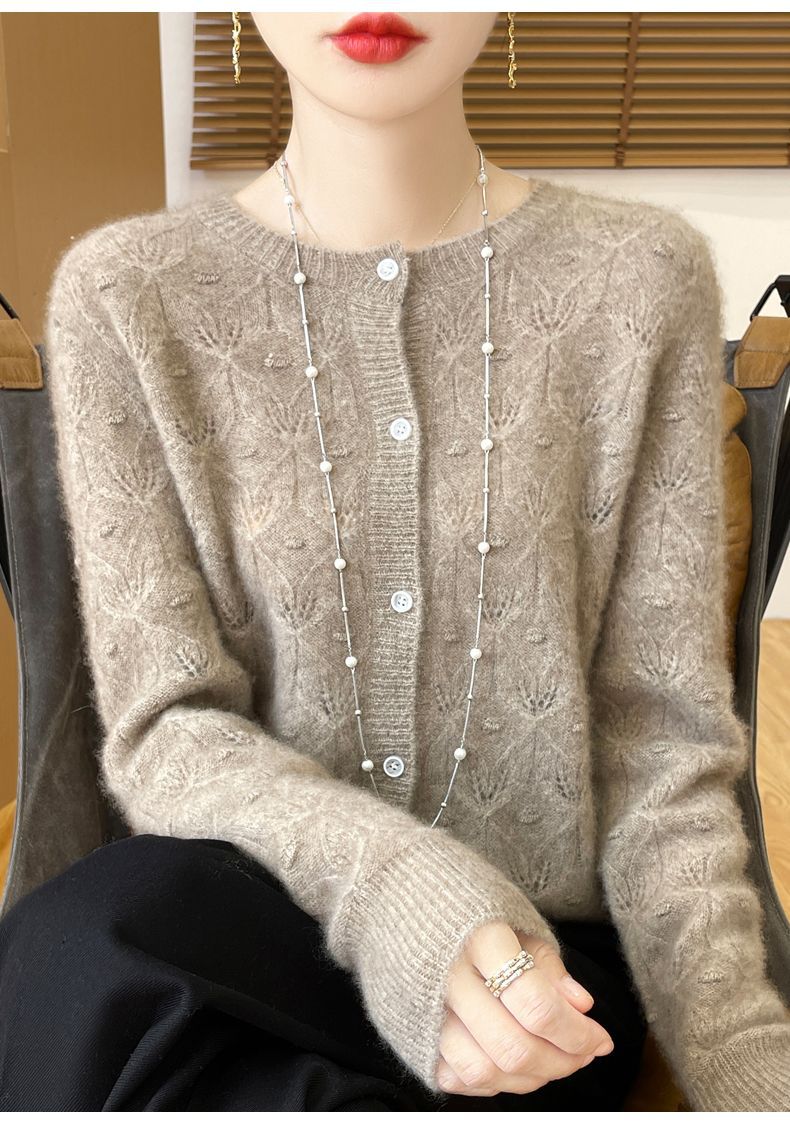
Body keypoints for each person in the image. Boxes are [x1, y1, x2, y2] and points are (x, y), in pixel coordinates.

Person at [1, 10, 789, 1113]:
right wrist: (397, 885)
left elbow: (659, 741)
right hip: (234, 931)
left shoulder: (639, 279)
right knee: (79, 941)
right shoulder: (125, 294)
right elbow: (163, 725)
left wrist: (750, 1071)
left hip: (532, 987)